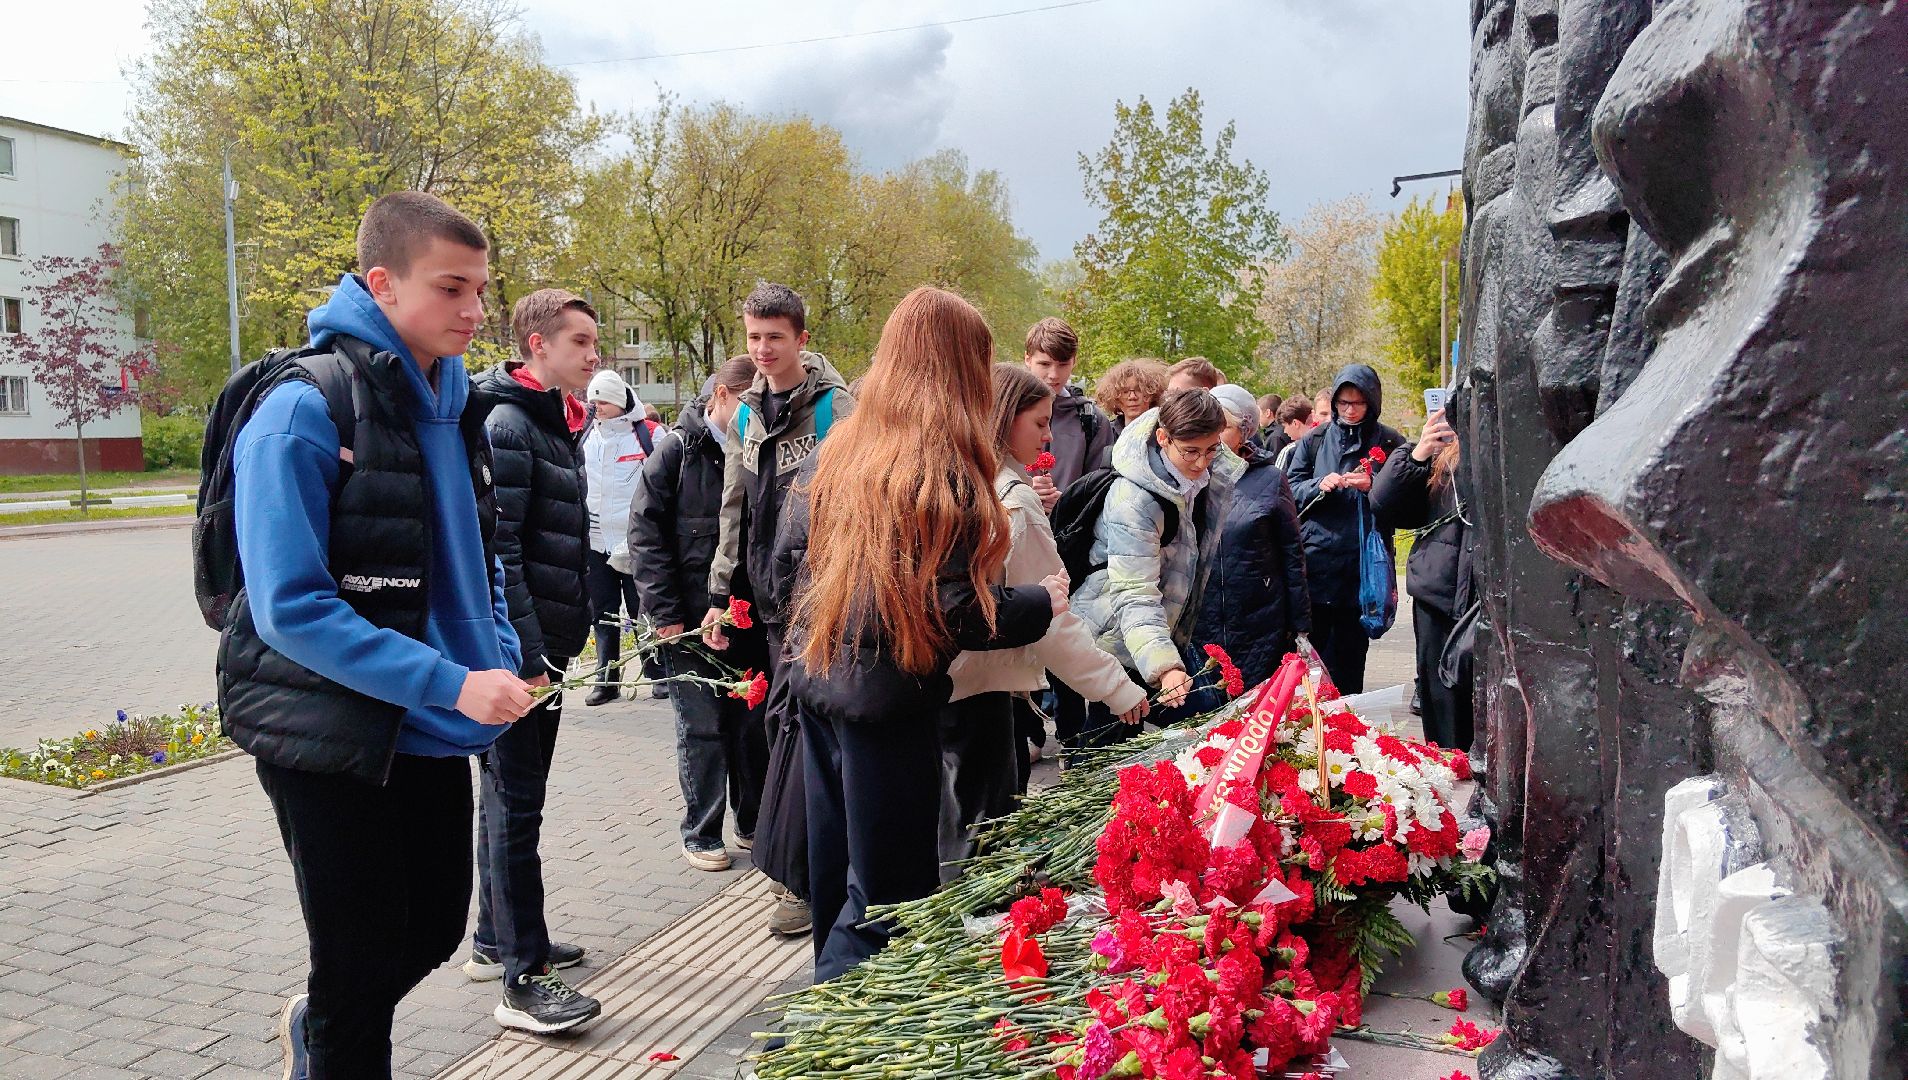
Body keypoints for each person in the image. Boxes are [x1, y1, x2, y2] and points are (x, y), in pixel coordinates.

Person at [224, 191, 533, 1078]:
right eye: (451, 288)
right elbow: (291, 607)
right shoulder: (303, 410)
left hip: (429, 724)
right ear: (382, 283)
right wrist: (452, 680)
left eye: (480, 289)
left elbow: (481, 555)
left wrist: (502, 655)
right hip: (329, 732)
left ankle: (321, 1024)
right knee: (357, 971)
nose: (474, 311)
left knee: (433, 928)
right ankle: (331, 1033)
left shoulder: (456, 405)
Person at [777, 286, 1064, 981]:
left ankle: (832, 1009)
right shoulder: (940, 468)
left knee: (839, 880)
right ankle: (824, 1027)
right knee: (890, 898)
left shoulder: (840, 449)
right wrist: (1038, 602)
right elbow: (954, 610)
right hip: (887, 700)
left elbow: (784, 566)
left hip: (820, 685)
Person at [942, 366, 1149, 867]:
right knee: (983, 835)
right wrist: (1118, 688)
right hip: (985, 686)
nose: (1049, 435)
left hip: (946, 681)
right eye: (1038, 422)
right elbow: (1052, 621)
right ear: (1004, 419)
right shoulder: (1014, 500)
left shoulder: (962, 479)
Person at [465, 289, 600, 1033]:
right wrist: (527, 654)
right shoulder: (511, 424)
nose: (593, 355)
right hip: (523, 654)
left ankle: (500, 937)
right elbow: (502, 549)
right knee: (518, 805)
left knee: (509, 799)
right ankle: (523, 977)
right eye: (579, 342)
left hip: (541, 644)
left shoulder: (548, 420)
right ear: (536, 345)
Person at [702, 281, 854, 937]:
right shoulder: (745, 414)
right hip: (769, 599)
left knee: (809, 730)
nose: (763, 349)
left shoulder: (834, 409)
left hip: (824, 596)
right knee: (779, 728)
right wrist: (719, 594)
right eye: (754, 337)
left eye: (775, 337)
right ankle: (802, 867)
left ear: (801, 339)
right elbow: (733, 511)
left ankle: (806, 877)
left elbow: (852, 506)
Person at [628, 357, 771, 872]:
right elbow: (645, 536)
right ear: (723, 396)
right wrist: (664, 612)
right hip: (688, 619)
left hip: (745, 616)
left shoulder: (756, 447)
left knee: (752, 726)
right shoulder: (677, 450)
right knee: (702, 728)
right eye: (747, 406)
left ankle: (753, 821)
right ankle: (702, 831)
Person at [1072, 389, 1245, 746]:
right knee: (1110, 742)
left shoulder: (1199, 478)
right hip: (1117, 634)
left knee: (1137, 735)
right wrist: (1165, 666)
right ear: (1163, 438)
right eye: (1191, 452)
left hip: (1156, 630)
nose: (1201, 463)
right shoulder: (1133, 499)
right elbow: (1134, 592)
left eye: (1212, 450)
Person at [1285, 364, 1407, 694]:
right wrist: (1317, 485)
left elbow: (1407, 498)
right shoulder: (1315, 440)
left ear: (1372, 402)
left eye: (1358, 403)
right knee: (1311, 663)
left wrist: (1374, 485)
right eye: (1343, 403)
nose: (1350, 410)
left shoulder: (1391, 441)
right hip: (1317, 564)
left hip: (1362, 569)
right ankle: (1311, 719)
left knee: (1350, 661)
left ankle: (1348, 718)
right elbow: (1289, 489)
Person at [1189, 386, 1310, 708]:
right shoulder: (1190, 476)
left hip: (1259, 622)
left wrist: (1300, 625)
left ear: (1244, 431)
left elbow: (1291, 553)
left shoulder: (1270, 479)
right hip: (1200, 623)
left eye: (1223, 426)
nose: (1213, 434)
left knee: (1253, 715)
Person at [1370, 407, 1473, 750]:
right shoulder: (1437, 453)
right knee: (1442, 707)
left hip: (1486, 599)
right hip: (1439, 594)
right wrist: (1419, 454)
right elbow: (1384, 504)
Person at [580, 369, 660, 707]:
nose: (597, 407)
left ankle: (656, 674)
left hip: (634, 543)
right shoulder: (586, 435)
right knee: (603, 612)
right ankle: (606, 679)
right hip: (595, 540)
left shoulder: (648, 435)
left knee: (643, 609)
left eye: (603, 401)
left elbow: (664, 485)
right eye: (593, 401)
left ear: (619, 401)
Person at [1022, 316, 1114, 507]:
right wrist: (1020, 490)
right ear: (1028, 359)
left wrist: (1067, 504)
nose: (1054, 375)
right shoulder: (1002, 411)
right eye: (1045, 364)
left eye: (1063, 364)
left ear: (1074, 362)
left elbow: (1100, 487)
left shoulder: (1092, 420)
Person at [1092, 358, 1171, 444]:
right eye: (1125, 391)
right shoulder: (1106, 434)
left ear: (1152, 393)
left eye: (1139, 390)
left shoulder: (1167, 432)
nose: (1132, 396)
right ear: (1115, 397)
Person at [1274, 397, 1314, 471]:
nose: (1285, 431)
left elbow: (1276, 477)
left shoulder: (1289, 451)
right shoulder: (1326, 443)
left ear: (1295, 423)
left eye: (1285, 426)